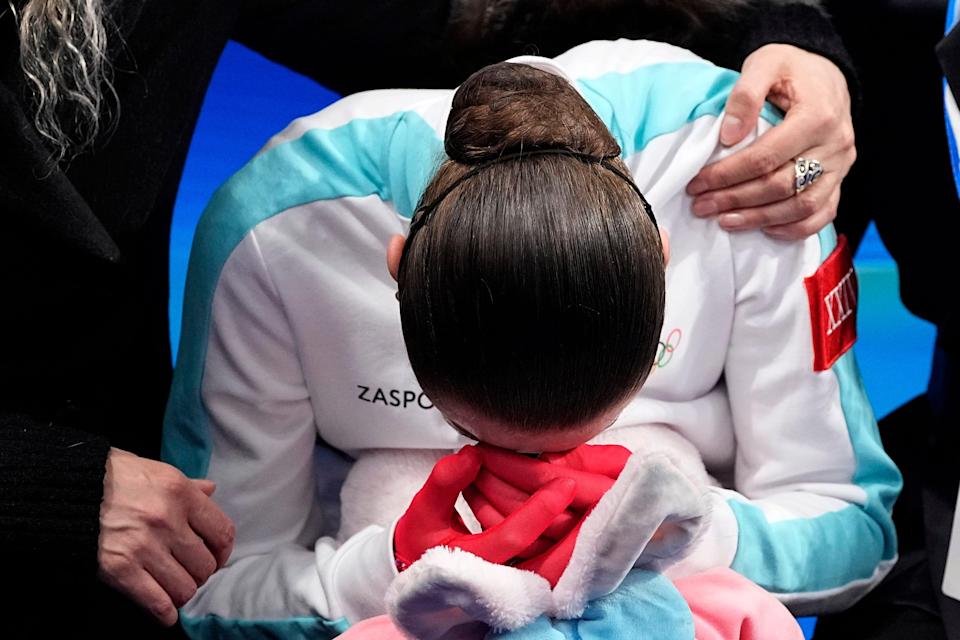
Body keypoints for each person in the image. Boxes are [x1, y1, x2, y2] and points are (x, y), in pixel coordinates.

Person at [0, 0, 859, 635]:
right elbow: (221, 587)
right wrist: (409, 563)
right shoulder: (276, 237)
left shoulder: (751, 175)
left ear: (661, 258)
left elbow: (853, 522)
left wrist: (793, 38)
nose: (541, 468)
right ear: (398, 274)